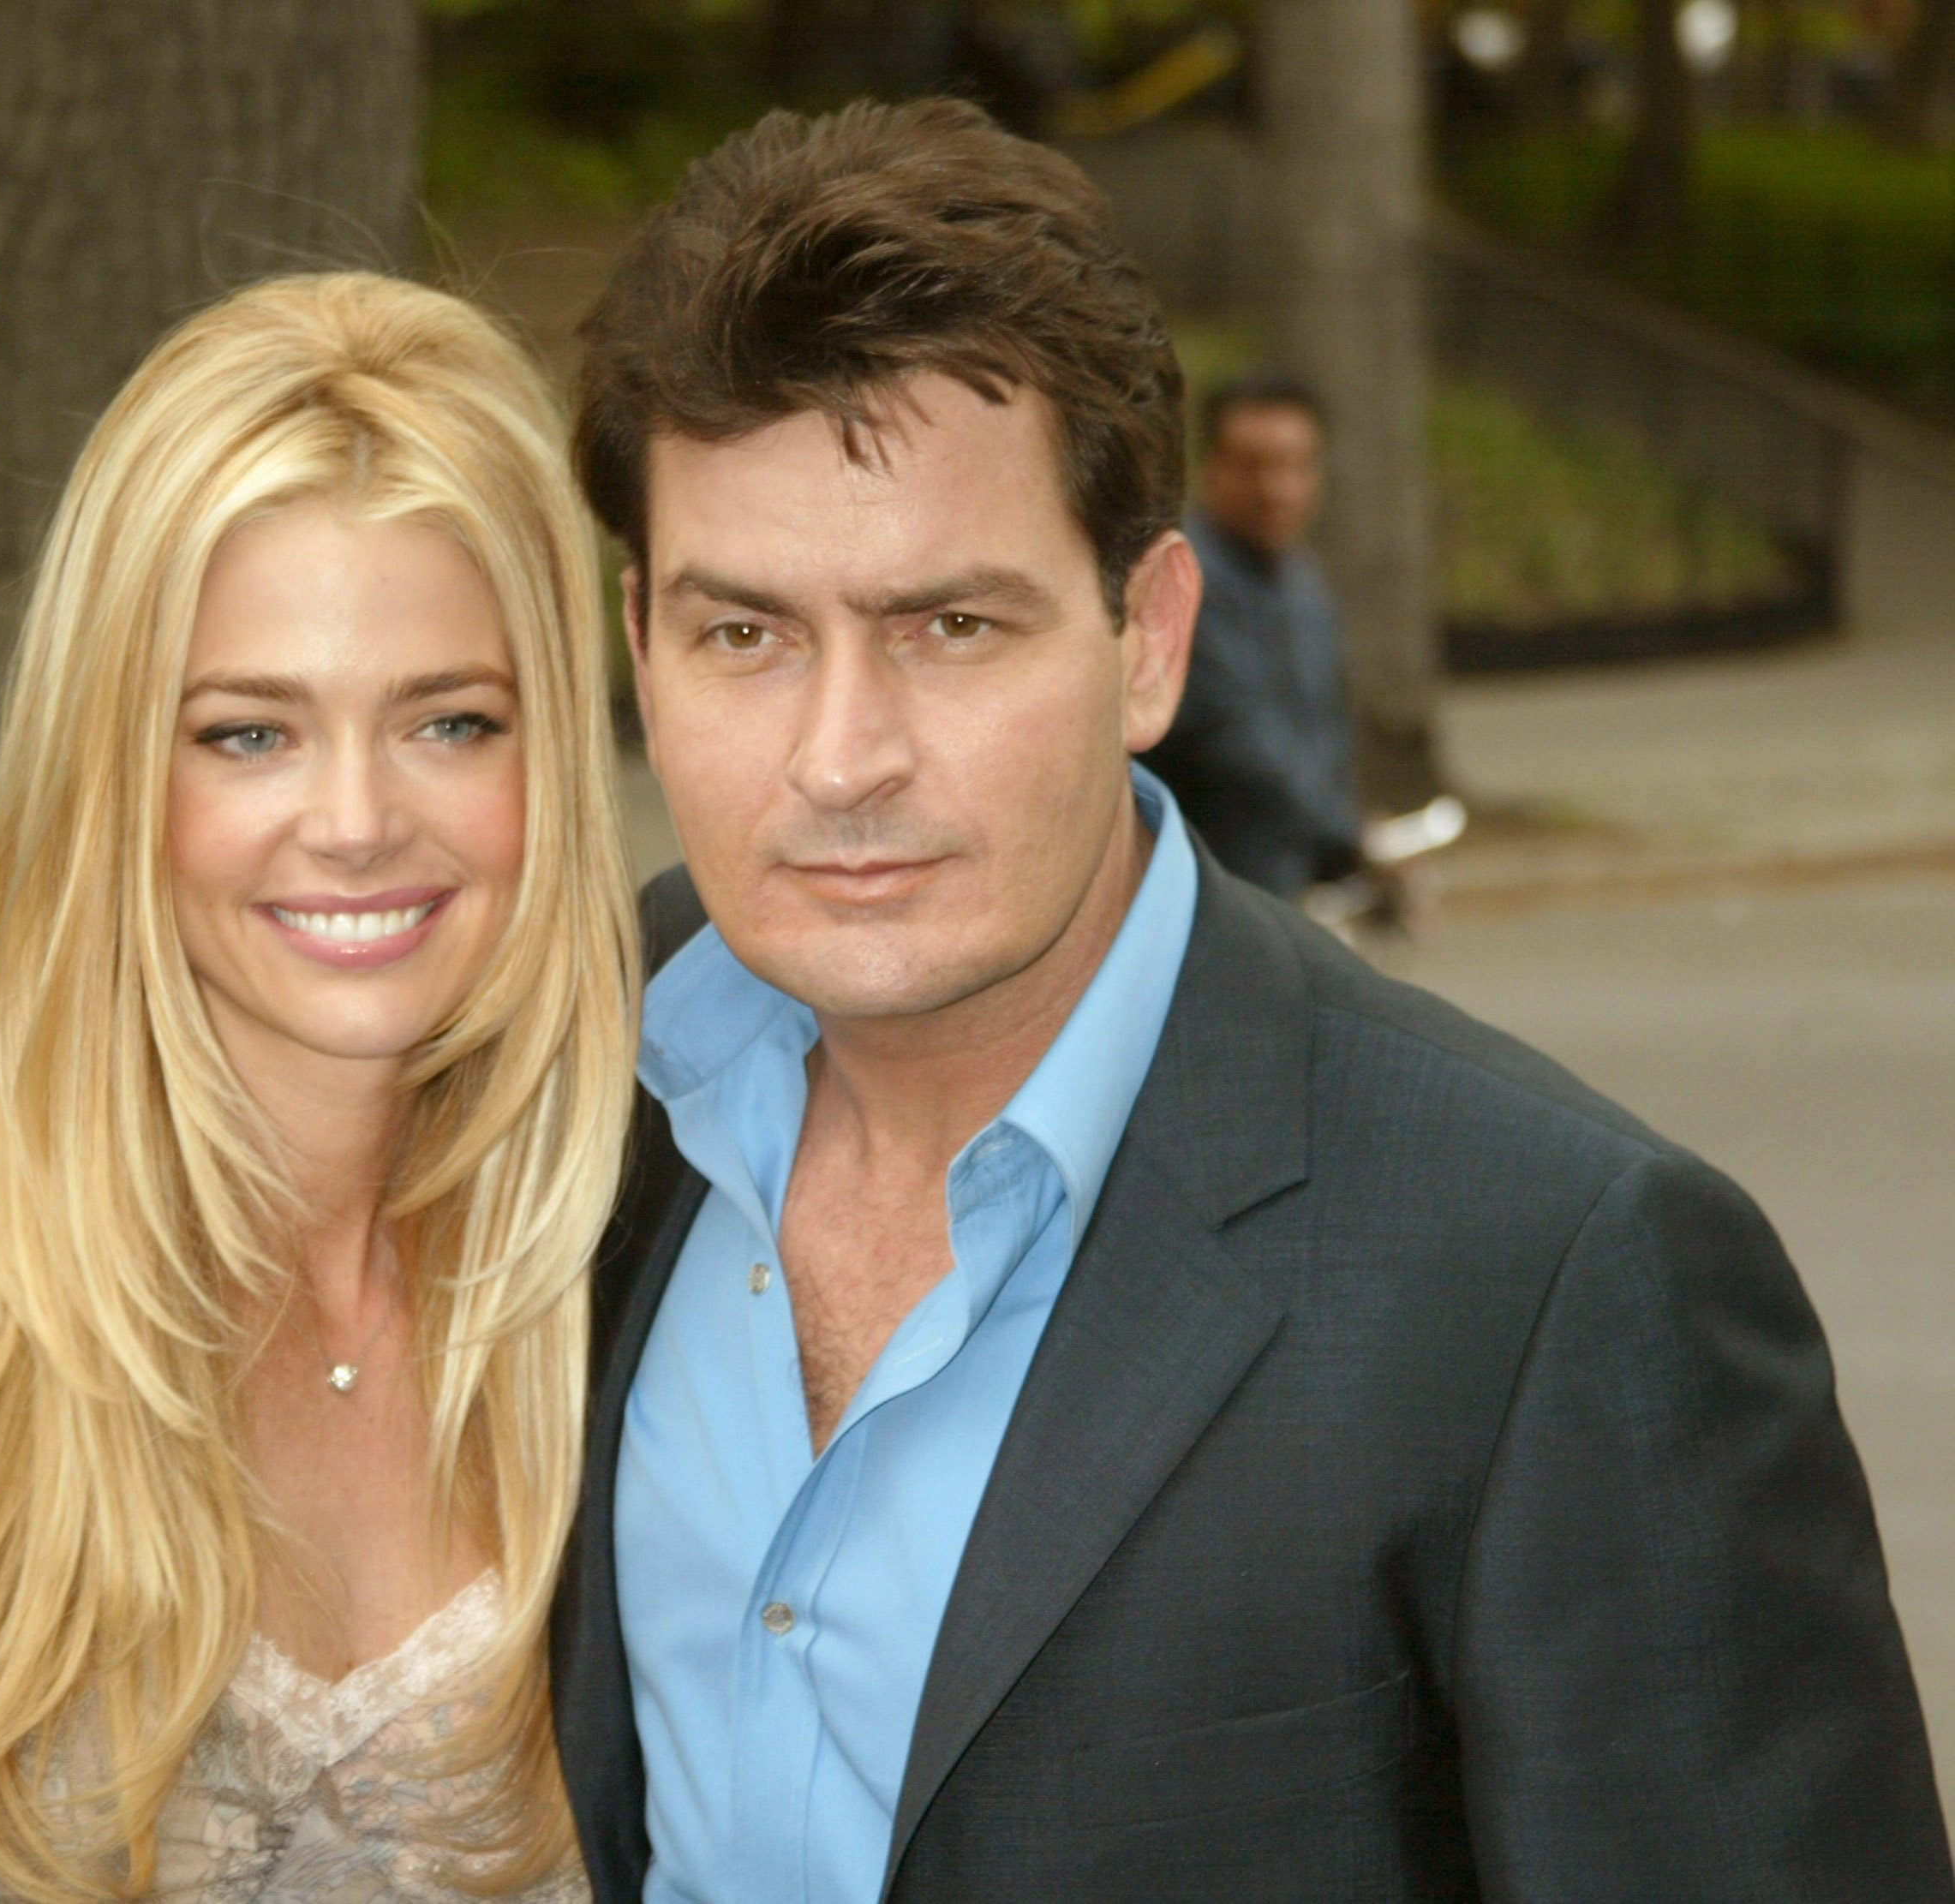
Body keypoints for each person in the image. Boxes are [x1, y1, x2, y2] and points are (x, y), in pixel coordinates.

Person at [553, 98, 1952, 1903]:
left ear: (1149, 640)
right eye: (745, 633)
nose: (840, 759)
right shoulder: (562, 1092)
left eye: (950, 628)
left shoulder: (1555, 1279)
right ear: (638, 637)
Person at [0, 273, 637, 1901]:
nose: (359, 817)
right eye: (248, 734)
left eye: (452, 721)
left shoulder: (646, 1277)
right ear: (115, 766)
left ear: (557, 762)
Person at [1139, 370, 1365, 899]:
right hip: (1204, 888)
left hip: (1284, 886)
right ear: (1212, 467)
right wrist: (1350, 840)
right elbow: (1239, 741)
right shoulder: (1188, 581)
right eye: (1252, 466)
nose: (1276, 489)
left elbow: (1326, 726)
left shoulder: (1301, 579)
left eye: (1294, 466)